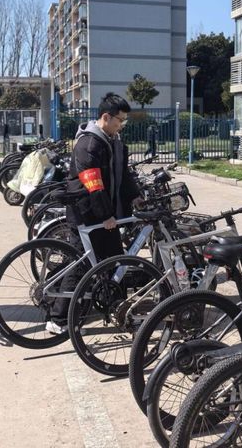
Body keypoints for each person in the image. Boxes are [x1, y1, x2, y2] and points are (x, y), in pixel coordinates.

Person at [47, 93, 141, 334]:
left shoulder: (113, 140)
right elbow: (93, 186)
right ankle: (58, 320)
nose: (122, 125)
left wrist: (135, 196)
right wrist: (105, 215)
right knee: (80, 266)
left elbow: (124, 174)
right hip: (87, 215)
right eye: (120, 120)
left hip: (106, 216)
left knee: (115, 263)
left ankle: (115, 309)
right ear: (106, 117)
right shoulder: (89, 144)